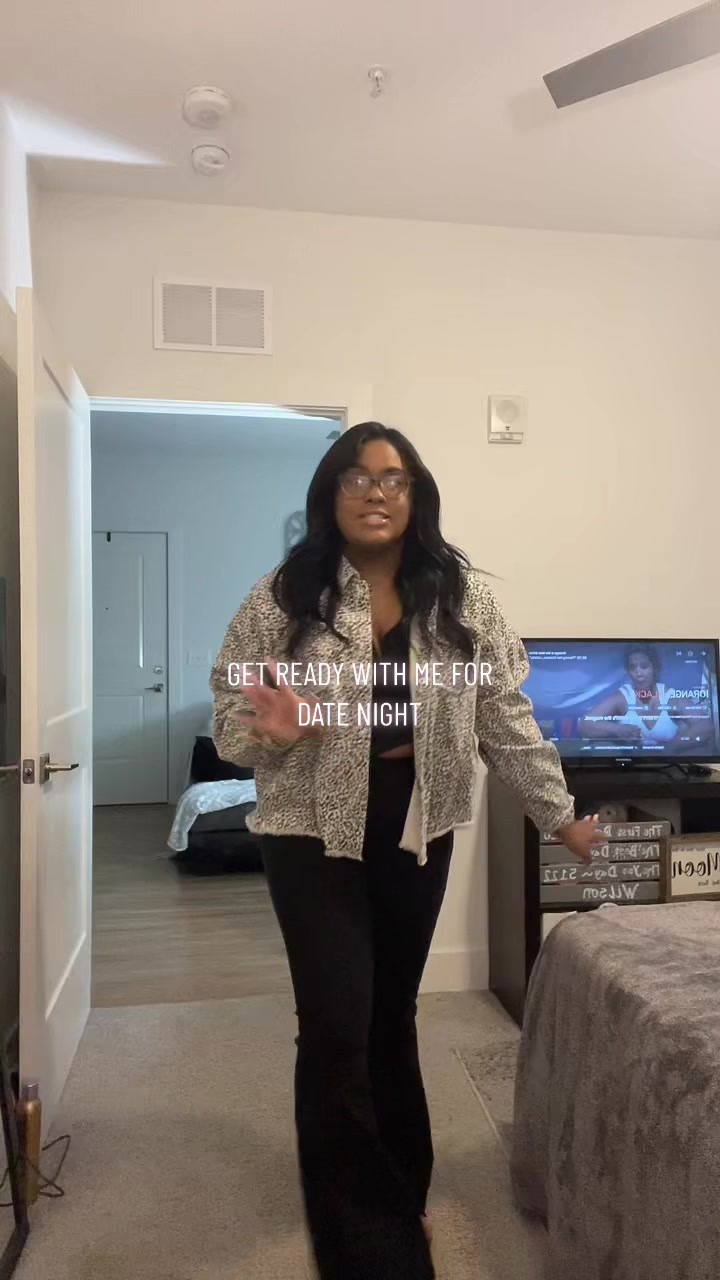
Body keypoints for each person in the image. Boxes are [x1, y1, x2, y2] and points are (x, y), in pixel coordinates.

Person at [210, 421, 601, 1280]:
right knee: (335, 1025)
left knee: (392, 1016)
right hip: (310, 835)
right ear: (331, 495)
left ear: (415, 494)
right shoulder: (283, 597)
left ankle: (402, 1188)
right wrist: (274, 730)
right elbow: (232, 720)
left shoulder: (461, 598)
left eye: (392, 477)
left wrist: (560, 815)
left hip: (419, 833)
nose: (375, 492)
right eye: (355, 477)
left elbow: (503, 714)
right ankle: (366, 1243)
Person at [578, 644, 713, 748]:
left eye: (644, 666)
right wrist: (618, 729)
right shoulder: (623, 697)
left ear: (655, 668)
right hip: (627, 770)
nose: (638, 673)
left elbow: (706, 725)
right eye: (632, 668)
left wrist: (670, 749)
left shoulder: (670, 697)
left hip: (665, 766)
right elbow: (585, 724)